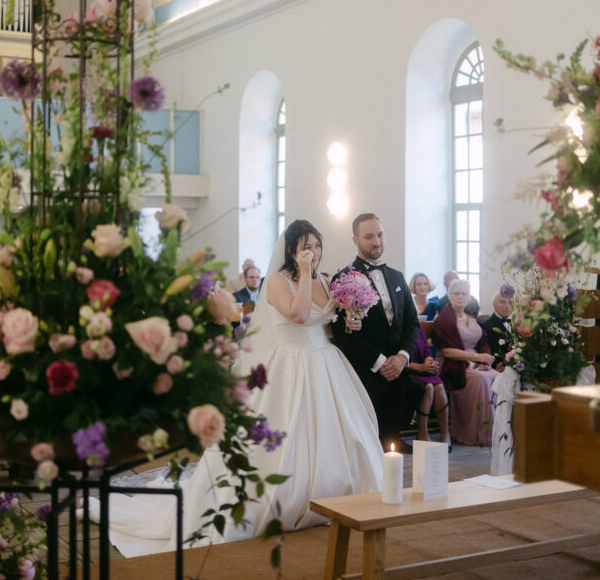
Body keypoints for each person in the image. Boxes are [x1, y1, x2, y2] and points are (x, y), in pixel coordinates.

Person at [89, 219, 383, 557]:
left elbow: (327, 329)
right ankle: (280, 503)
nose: (313, 253)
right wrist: (303, 274)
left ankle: (333, 498)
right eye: (305, 246)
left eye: (316, 246)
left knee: (340, 436)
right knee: (283, 438)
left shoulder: (328, 281)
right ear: (291, 250)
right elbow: (300, 315)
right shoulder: (276, 281)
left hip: (325, 364)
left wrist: (351, 319)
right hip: (289, 366)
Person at [331, 213, 424, 453]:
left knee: (393, 445)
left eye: (380, 235)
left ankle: (393, 443)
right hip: (366, 371)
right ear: (355, 240)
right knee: (369, 446)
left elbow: (412, 323)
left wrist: (402, 357)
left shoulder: (397, 277)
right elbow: (343, 334)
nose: (377, 241)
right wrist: (380, 361)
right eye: (369, 236)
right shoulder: (343, 279)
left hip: (398, 370)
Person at [431, 278, 497, 446]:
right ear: (449, 295)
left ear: (469, 296)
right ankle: (476, 433)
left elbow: (484, 343)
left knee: (498, 377)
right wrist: (476, 358)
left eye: (464, 293)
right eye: (456, 293)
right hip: (453, 365)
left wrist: (485, 361)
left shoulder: (472, 317)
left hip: (476, 363)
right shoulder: (444, 319)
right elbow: (447, 351)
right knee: (481, 379)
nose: (461, 297)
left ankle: (498, 431)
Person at [480, 289, 514, 367]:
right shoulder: (487, 326)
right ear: (494, 304)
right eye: (503, 302)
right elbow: (494, 356)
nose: (507, 306)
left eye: (510, 302)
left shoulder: (515, 322)